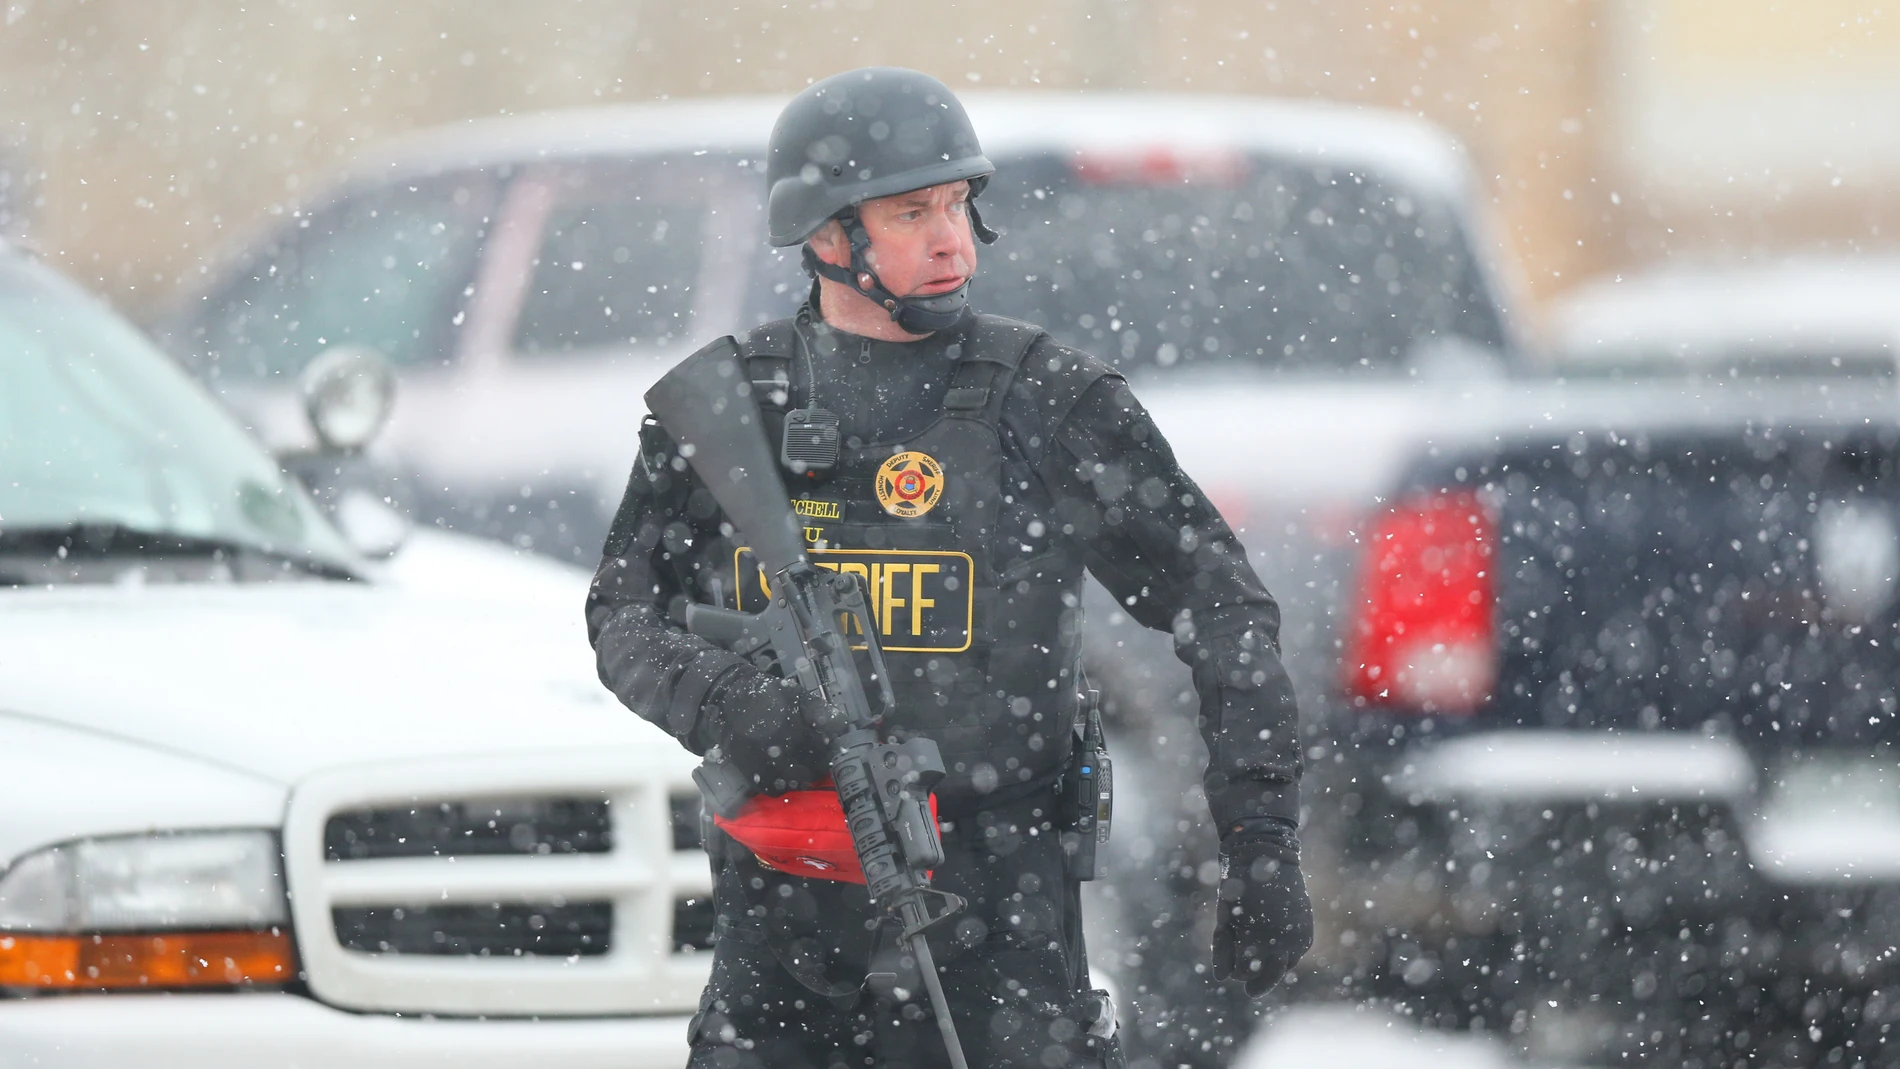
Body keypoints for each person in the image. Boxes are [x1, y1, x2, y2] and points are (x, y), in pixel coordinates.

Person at [587, 66, 1311, 1069]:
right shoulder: (728, 409)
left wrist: (1260, 839)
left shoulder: (1046, 403)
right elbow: (623, 611)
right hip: (783, 929)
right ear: (827, 236)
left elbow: (1224, 608)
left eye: (961, 205)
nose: (951, 241)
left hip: (999, 926)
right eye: (912, 212)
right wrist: (729, 706)